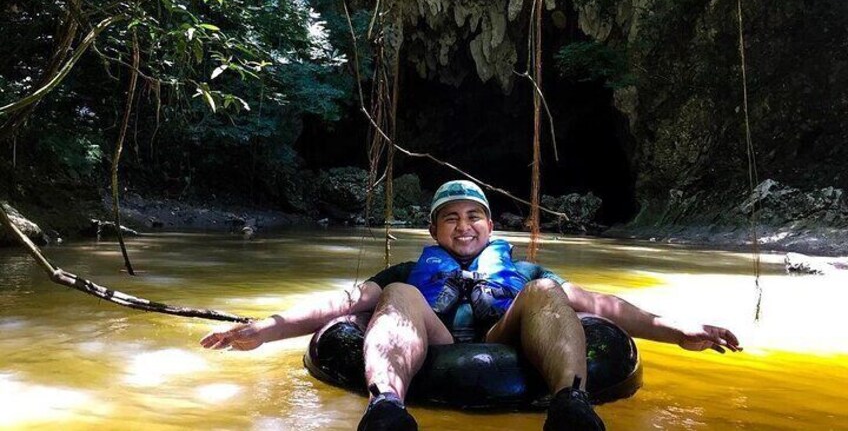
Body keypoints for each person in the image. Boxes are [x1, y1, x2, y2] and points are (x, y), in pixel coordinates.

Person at [201, 180, 741, 431]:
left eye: (474, 217)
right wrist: (265, 330)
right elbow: (337, 305)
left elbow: (612, 309)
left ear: (490, 225)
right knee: (399, 295)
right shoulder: (407, 274)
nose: (464, 226)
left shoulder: (527, 272)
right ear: (435, 229)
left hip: (505, 339)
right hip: (431, 343)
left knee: (550, 293)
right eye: (451, 218)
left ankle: (570, 405)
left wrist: (678, 330)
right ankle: (387, 407)